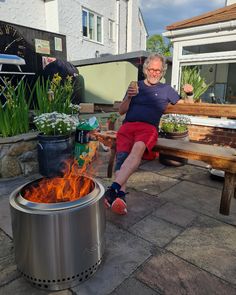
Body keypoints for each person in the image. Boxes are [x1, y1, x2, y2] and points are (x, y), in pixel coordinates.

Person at [104, 53, 193, 215]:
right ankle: (120, 197)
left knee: (137, 149)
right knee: (122, 157)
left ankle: (113, 189)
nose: (154, 73)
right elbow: (121, 111)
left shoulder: (166, 90)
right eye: (151, 69)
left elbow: (189, 106)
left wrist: (189, 94)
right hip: (128, 126)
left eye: (158, 70)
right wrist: (130, 97)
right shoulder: (135, 86)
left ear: (162, 72)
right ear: (145, 70)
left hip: (148, 128)